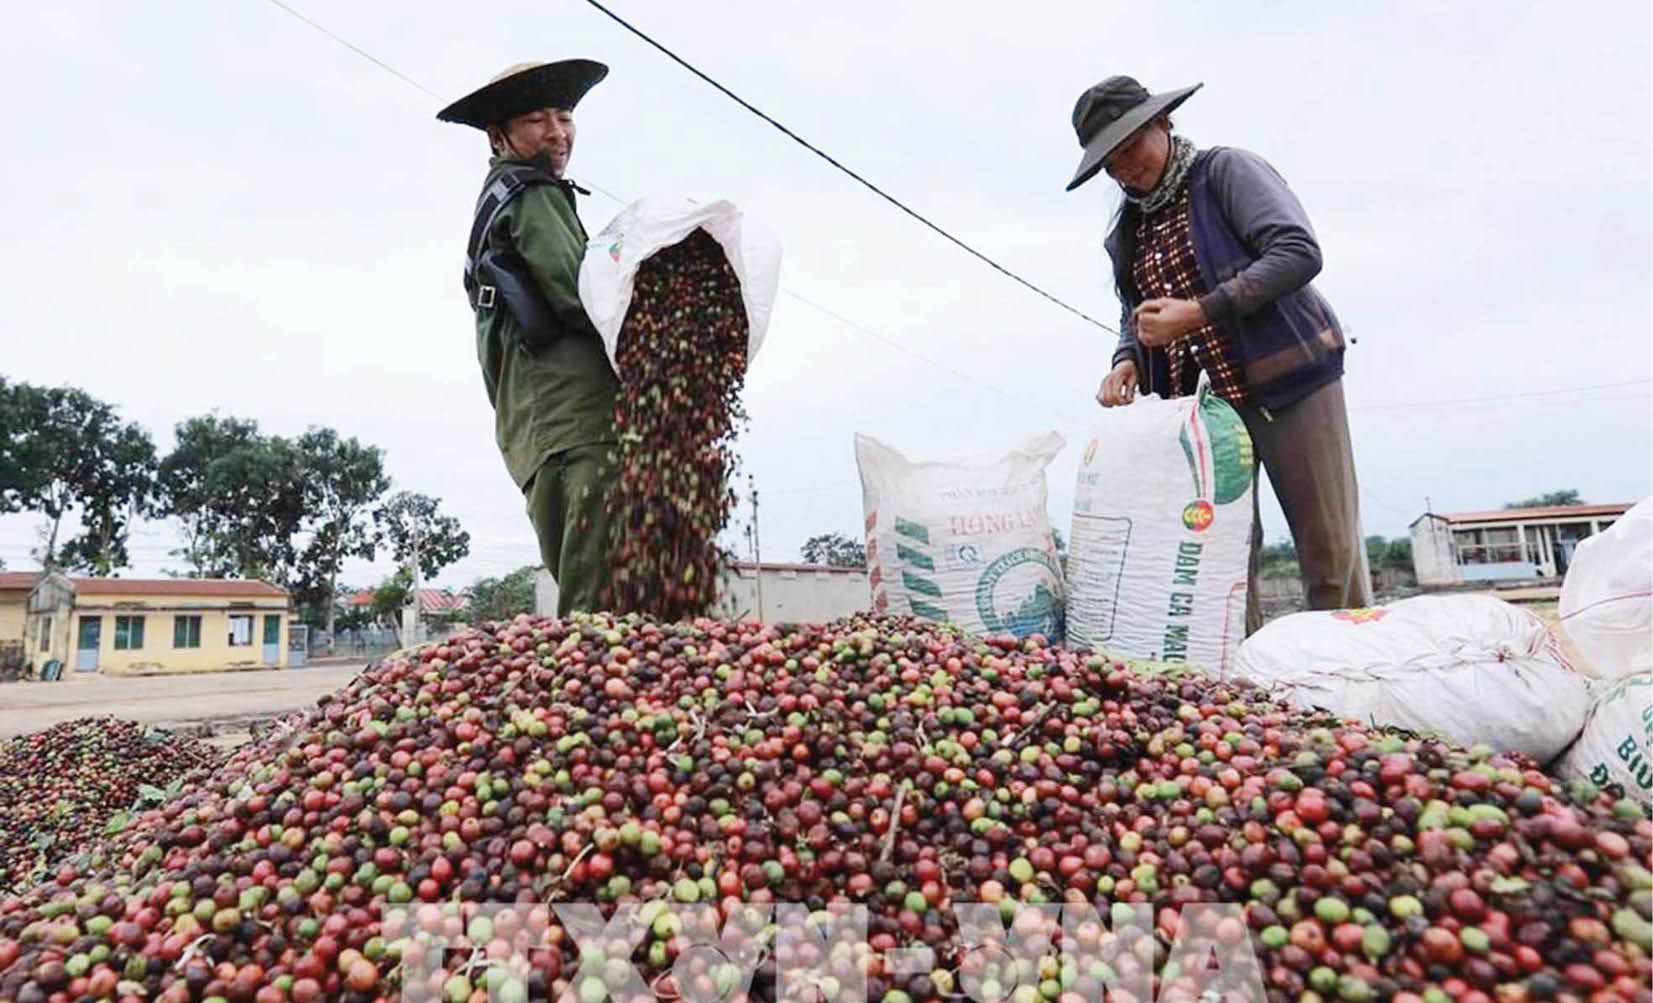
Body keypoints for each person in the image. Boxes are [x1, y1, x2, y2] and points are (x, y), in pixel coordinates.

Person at [1066, 75, 1371, 630]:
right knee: (1222, 557)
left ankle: (1343, 668)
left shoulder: (1224, 173)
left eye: (1130, 146)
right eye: (1110, 162)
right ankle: (1246, 671)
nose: (1124, 168)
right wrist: (1126, 358)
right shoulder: (1127, 230)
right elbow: (1134, 309)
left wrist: (1202, 311)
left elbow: (1297, 251)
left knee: (1327, 548)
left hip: (1289, 381)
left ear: (1163, 123)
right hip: (1207, 414)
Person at [438, 60, 619, 617]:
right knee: (598, 601)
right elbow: (581, 297)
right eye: (538, 120)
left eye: (564, 117)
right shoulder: (531, 194)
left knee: (597, 584)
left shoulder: (507, 195)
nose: (557, 133)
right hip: (573, 418)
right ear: (499, 136)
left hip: (538, 424)